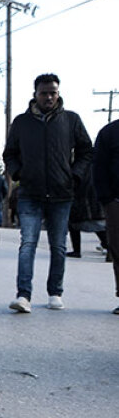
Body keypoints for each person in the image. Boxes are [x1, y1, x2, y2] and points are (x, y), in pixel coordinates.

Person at [2, 73, 93, 313]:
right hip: (29, 193)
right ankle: (23, 296)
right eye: (44, 93)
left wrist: (74, 175)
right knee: (27, 244)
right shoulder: (21, 122)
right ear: (35, 94)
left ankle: (55, 293)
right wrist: (19, 172)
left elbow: (86, 151)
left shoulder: (71, 120)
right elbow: (9, 153)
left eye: (53, 92)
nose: (49, 97)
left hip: (62, 194)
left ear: (58, 93)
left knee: (58, 246)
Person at [93, 116, 119, 313]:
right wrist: (107, 199)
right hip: (116, 201)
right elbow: (99, 167)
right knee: (118, 247)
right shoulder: (109, 132)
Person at [66, 168, 108, 259]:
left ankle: (77, 250)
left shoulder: (80, 165)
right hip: (92, 196)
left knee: (75, 224)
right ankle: (108, 247)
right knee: (98, 225)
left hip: (83, 197)